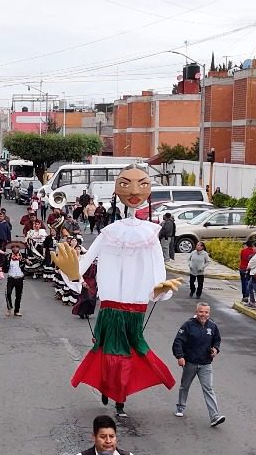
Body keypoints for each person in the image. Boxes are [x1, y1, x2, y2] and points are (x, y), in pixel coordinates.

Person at [54, 165, 180, 418]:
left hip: (135, 309)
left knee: (129, 356)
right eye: (126, 183)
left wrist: (160, 289)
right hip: (111, 307)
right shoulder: (109, 232)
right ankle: (108, 389)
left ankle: (119, 396)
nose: (134, 190)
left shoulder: (151, 234)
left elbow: (158, 271)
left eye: (141, 184)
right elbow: (84, 264)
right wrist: (73, 272)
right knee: (108, 353)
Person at [172, 302, 225, 427]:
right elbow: (178, 341)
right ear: (196, 312)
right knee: (185, 386)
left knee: (209, 389)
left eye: (206, 312)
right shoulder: (188, 325)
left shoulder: (212, 326)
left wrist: (215, 349)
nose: (203, 314)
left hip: (206, 363)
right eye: (201, 312)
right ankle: (180, 407)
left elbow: (217, 339)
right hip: (190, 362)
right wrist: (180, 356)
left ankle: (214, 416)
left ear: (209, 313)